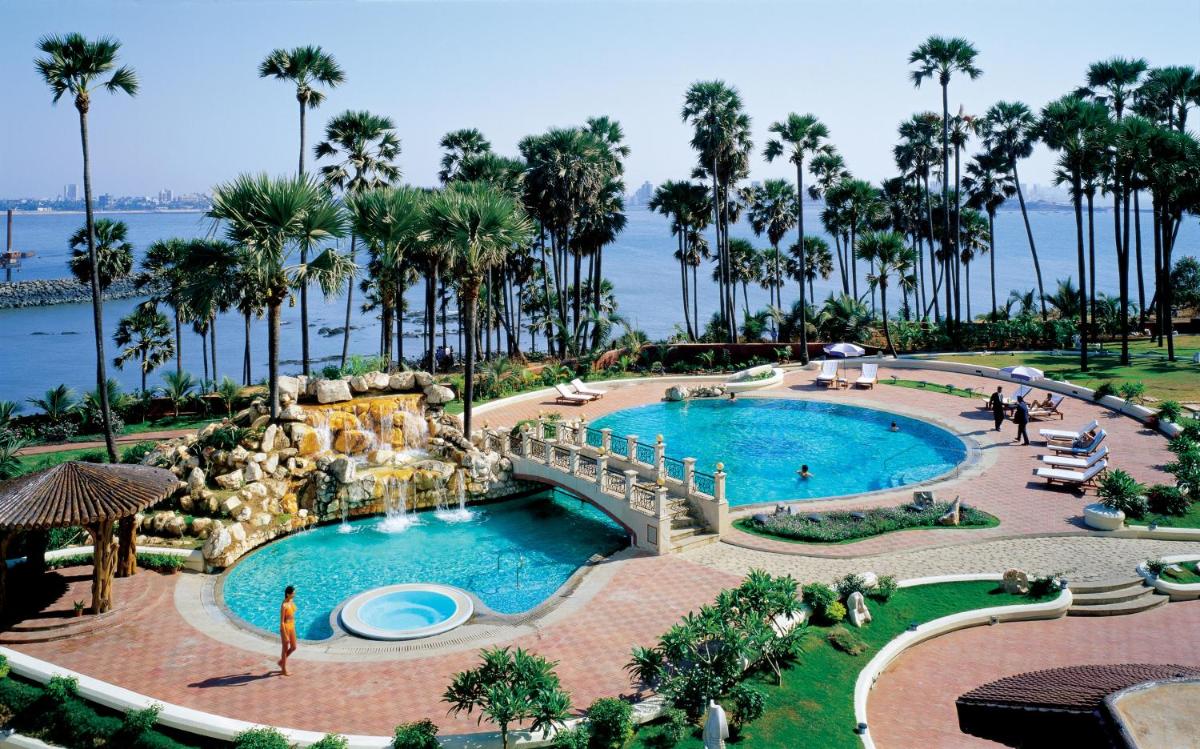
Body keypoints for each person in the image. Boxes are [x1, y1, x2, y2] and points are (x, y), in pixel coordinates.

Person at [278, 585, 297, 676]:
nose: (294, 594)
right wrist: (285, 634)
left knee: (293, 647)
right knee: (285, 649)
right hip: (285, 627)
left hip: (292, 626)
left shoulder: (291, 601)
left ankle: (282, 661)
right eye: (293, 593)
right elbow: (281, 621)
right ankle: (284, 669)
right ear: (288, 594)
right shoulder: (284, 605)